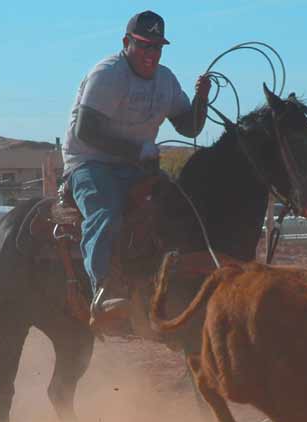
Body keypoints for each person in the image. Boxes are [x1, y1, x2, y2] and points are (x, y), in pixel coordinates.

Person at [61, 10, 210, 323]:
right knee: (106, 211)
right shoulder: (108, 74)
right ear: (126, 42)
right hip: (89, 162)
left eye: (156, 47)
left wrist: (202, 98)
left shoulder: (166, 81)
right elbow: (85, 130)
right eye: (144, 46)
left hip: (134, 165)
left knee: (178, 205)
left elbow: (189, 127)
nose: (151, 54)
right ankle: (102, 289)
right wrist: (137, 150)